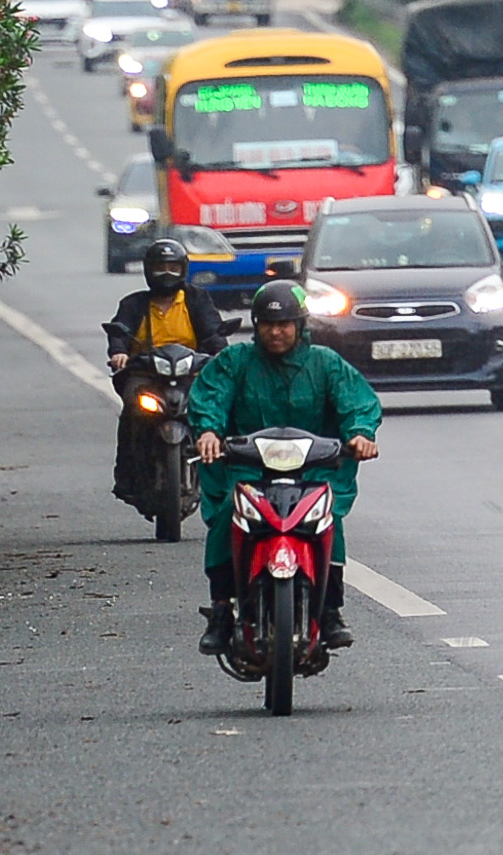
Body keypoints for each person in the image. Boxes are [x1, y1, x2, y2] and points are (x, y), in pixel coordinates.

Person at [187, 280, 381, 656]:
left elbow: (357, 402)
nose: (276, 332)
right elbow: (211, 397)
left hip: (313, 472)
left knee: (328, 518)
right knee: (230, 510)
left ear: (300, 325)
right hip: (248, 470)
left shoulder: (325, 364)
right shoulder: (235, 361)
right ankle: (222, 608)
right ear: (256, 325)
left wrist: (360, 434)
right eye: (267, 324)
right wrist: (209, 432)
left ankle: (330, 610)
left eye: (285, 324)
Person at [102, 241, 227, 511]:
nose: (167, 273)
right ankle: (128, 475)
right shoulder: (133, 303)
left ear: (183, 270)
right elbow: (119, 333)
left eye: (173, 267)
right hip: (147, 374)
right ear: (148, 270)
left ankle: (223, 473)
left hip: (189, 373)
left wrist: (219, 353)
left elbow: (214, 332)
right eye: (160, 267)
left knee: (215, 410)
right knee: (133, 410)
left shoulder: (197, 299)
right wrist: (119, 353)